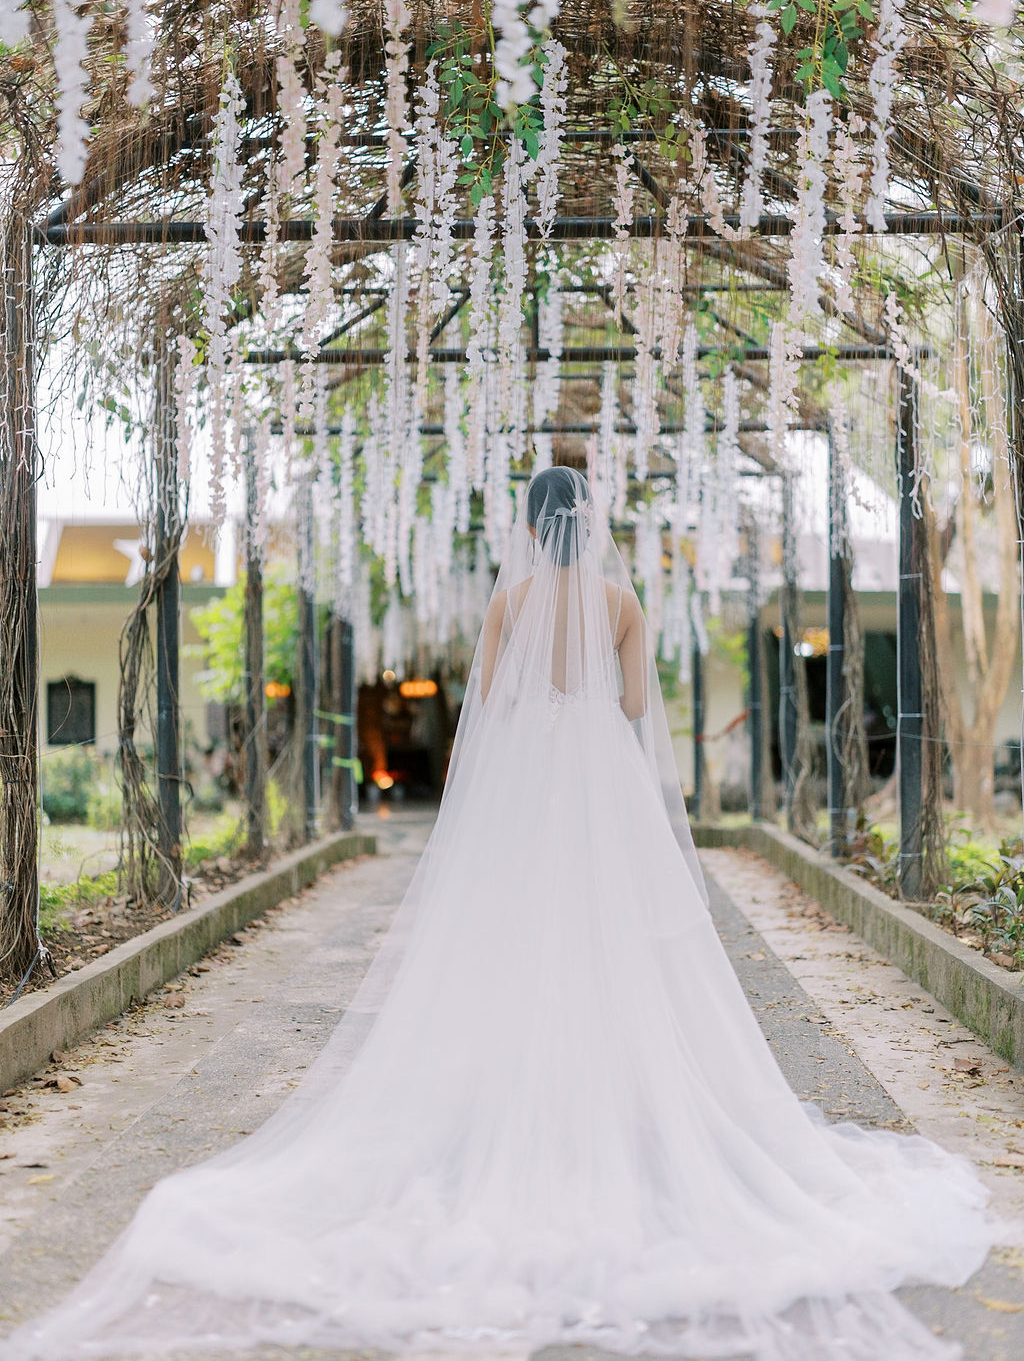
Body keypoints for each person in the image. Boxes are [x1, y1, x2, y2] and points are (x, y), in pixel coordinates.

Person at [0, 467, 1000, 1361]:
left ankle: (521, 1088)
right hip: (599, 781)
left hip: (526, 781)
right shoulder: (620, 599)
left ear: (528, 529)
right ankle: (615, 1096)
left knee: (516, 935)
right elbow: (635, 710)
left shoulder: (510, 601)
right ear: (590, 524)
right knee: (612, 940)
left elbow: (484, 711)